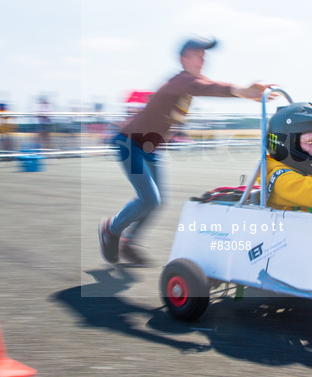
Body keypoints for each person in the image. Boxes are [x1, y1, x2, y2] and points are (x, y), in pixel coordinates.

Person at [99, 36, 272, 265]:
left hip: (151, 149)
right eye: (198, 54)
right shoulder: (180, 81)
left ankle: (128, 242)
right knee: (149, 199)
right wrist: (241, 90)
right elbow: (207, 87)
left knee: (155, 201)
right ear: (183, 58)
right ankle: (111, 229)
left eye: (204, 55)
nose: (203, 59)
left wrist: (243, 93)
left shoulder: (188, 85)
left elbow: (207, 86)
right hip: (129, 144)